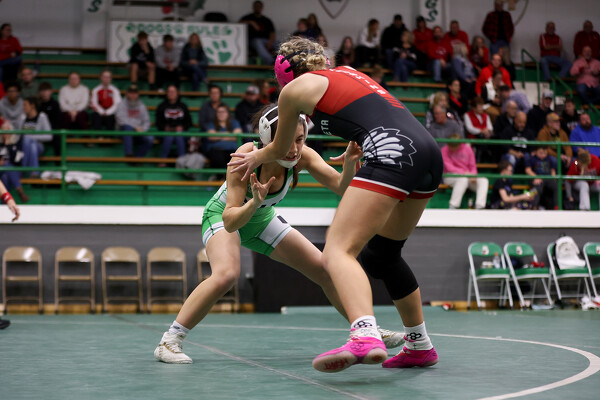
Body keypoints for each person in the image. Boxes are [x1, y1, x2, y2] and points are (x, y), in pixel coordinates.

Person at [231, 37, 444, 372]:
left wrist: (254, 157)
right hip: (428, 153)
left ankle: (364, 334)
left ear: (284, 75)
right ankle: (419, 345)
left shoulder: (293, 91)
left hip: (392, 151)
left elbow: (280, 149)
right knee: (383, 255)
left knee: (337, 250)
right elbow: (374, 114)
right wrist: (359, 143)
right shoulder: (347, 73)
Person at [154, 103, 404, 363]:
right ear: (267, 139)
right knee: (226, 274)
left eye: (300, 139)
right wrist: (253, 203)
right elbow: (229, 222)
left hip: (261, 217)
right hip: (224, 215)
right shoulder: (246, 156)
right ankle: (169, 341)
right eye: (287, 140)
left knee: (325, 269)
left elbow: (342, 187)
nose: (295, 148)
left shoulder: (303, 156)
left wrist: (350, 165)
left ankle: (367, 330)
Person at [441, 133, 489, 209]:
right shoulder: (444, 150)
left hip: (468, 176)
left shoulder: (468, 149)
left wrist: (473, 175)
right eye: (451, 146)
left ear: (460, 144)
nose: (452, 148)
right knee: (463, 179)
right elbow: (449, 167)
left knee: (483, 181)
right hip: (450, 175)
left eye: (454, 146)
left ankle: (479, 206)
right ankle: (453, 206)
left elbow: (472, 166)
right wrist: (465, 173)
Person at [15, 97, 52, 177]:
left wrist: (32, 137)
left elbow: (49, 136)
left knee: (29, 140)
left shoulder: (42, 117)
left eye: (25, 105)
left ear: (32, 105)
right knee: (32, 146)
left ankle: (23, 168)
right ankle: (35, 172)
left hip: (39, 145)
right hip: (24, 146)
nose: (23, 107)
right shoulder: (22, 118)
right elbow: (18, 135)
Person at [203, 103, 242, 173]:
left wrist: (218, 135)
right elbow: (211, 136)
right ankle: (219, 176)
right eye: (219, 112)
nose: (221, 114)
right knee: (218, 156)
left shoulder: (234, 122)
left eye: (223, 112)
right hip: (217, 151)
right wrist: (230, 135)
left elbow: (237, 135)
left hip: (232, 150)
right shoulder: (211, 124)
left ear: (227, 113)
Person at [155, 85, 192, 161]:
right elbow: (158, 123)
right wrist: (164, 127)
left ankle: (181, 161)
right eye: (169, 91)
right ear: (166, 93)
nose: (171, 93)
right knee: (169, 136)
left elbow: (189, 122)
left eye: (173, 91)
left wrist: (182, 127)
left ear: (177, 93)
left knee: (179, 136)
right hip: (166, 133)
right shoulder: (161, 106)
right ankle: (163, 160)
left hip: (181, 132)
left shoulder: (183, 106)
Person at [116, 85, 153, 158]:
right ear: (127, 94)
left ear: (137, 94)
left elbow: (147, 121)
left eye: (135, 93)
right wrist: (135, 127)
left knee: (150, 139)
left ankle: (137, 159)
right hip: (123, 132)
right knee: (127, 127)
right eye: (131, 93)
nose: (133, 95)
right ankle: (128, 154)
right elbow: (120, 120)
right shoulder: (121, 104)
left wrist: (142, 129)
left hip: (137, 132)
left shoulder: (141, 105)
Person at [239, 1, 276, 65]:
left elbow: (272, 33)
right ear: (253, 7)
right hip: (253, 40)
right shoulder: (248, 17)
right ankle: (271, 62)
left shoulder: (267, 20)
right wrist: (250, 22)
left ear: (262, 8)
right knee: (258, 42)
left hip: (266, 40)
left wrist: (270, 42)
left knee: (279, 43)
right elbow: (238, 24)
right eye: (256, 6)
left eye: (259, 6)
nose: (257, 8)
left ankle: (285, 62)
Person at [0, 126, 29, 203]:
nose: (5, 134)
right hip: (1, 169)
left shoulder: (16, 144)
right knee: (6, 166)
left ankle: (5, 204)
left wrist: (8, 145)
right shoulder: (0, 145)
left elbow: (17, 160)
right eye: (4, 132)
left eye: (7, 131)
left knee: (5, 177)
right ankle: (19, 190)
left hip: (14, 170)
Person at [38, 82, 61, 156]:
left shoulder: (55, 104)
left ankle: (58, 160)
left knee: (57, 137)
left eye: (46, 90)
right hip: (40, 130)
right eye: (42, 91)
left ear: (51, 91)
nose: (44, 93)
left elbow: (57, 120)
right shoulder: (37, 104)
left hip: (52, 129)